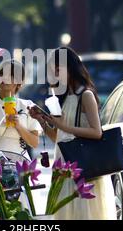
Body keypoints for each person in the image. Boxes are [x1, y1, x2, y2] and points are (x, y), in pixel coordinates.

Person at [29, 47, 117, 220]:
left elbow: (96, 132)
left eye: (57, 69)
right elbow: (58, 138)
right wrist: (42, 120)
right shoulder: (64, 97)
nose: (54, 74)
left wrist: (63, 126)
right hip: (63, 165)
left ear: (70, 67)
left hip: (83, 166)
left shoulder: (86, 95)